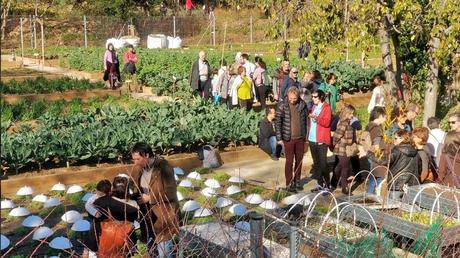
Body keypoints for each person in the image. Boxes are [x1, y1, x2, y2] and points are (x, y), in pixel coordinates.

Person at [129, 142, 179, 257]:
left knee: (164, 252)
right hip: (147, 216)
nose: (135, 162)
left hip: (163, 215)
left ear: (146, 155)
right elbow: (132, 185)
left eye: (137, 159)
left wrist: (150, 197)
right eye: (134, 159)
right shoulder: (138, 168)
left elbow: (171, 192)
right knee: (152, 250)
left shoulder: (163, 168)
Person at [275, 87, 309, 192]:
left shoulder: (302, 105)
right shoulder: (282, 105)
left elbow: (305, 121)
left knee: (299, 160)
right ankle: (289, 183)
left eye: (295, 98)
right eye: (291, 98)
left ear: (298, 96)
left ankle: (297, 181)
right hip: (288, 138)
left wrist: (305, 137)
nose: (293, 100)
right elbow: (278, 123)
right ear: (288, 96)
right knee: (289, 161)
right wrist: (279, 138)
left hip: (300, 138)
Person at [308, 89, 333, 192]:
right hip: (312, 138)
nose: (313, 99)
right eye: (312, 97)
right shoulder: (314, 106)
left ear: (321, 97)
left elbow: (327, 122)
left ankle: (327, 186)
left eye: (315, 97)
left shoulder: (326, 107)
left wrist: (316, 118)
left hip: (321, 139)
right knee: (316, 163)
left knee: (323, 163)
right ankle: (320, 184)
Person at [83, 179, 112, 258]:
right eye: (98, 194)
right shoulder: (93, 198)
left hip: (108, 221)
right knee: (94, 231)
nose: (99, 196)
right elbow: (87, 205)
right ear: (96, 190)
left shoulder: (110, 197)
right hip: (97, 219)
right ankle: (91, 250)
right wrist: (95, 212)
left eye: (102, 195)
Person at [332, 105, 356, 194]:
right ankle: (344, 188)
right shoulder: (343, 124)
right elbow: (336, 136)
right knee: (345, 168)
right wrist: (335, 145)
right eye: (351, 114)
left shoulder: (348, 123)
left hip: (346, 149)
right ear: (346, 113)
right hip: (343, 149)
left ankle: (335, 181)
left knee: (339, 167)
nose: (352, 116)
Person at [366, 107, 389, 194]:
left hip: (369, 153)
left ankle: (368, 196)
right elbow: (376, 145)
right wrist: (380, 157)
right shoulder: (376, 129)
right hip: (376, 155)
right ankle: (371, 197)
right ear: (380, 116)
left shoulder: (369, 125)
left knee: (374, 177)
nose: (386, 118)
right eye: (385, 116)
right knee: (379, 177)